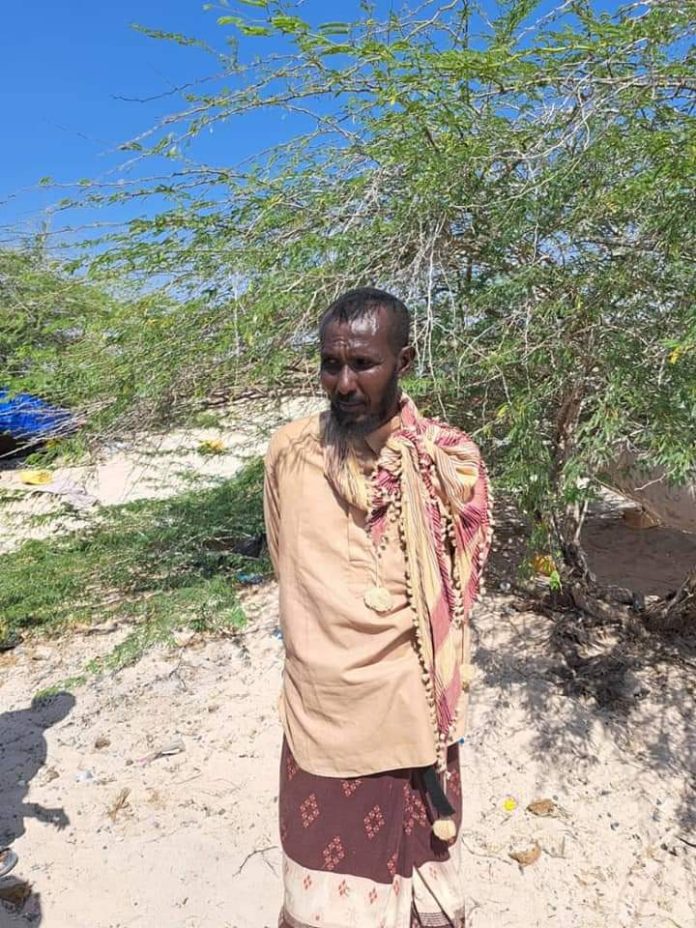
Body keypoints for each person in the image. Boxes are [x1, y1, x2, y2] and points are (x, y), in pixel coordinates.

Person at [264, 287, 491, 928]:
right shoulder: (290, 452)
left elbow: (457, 594)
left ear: (403, 361)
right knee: (322, 898)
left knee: (421, 882)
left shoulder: (447, 461)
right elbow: (286, 559)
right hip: (321, 714)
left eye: (363, 364)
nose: (343, 383)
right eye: (330, 364)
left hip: (412, 716)